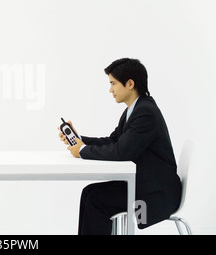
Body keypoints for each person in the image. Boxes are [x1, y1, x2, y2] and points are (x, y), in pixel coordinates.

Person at [58, 58, 181, 234]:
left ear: (130, 83)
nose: (110, 89)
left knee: (96, 200)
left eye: (113, 83)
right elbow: (114, 140)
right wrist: (80, 140)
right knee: (89, 194)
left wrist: (83, 151)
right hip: (146, 184)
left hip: (155, 195)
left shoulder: (145, 112)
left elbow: (121, 152)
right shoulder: (134, 110)